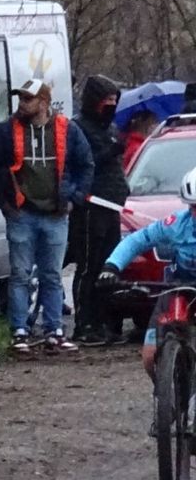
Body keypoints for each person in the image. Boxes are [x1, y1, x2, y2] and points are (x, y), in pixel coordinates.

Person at [0, 78, 94, 353]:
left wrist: (74, 199)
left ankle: (54, 328)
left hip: (56, 214)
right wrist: (4, 203)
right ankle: (19, 329)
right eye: (20, 99)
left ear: (44, 102)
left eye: (28, 99)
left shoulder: (68, 130)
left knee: (52, 274)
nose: (22, 104)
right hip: (21, 214)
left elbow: (86, 165)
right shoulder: (6, 131)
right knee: (18, 274)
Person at [96, 165, 196, 405]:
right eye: (194, 208)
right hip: (178, 290)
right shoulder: (176, 224)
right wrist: (112, 267)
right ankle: (168, 398)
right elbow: (137, 240)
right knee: (150, 357)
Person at [72, 76, 130, 345]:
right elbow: (83, 164)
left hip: (112, 204)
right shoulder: (79, 127)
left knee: (110, 265)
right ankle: (84, 323)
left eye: (114, 101)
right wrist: (111, 151)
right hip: (91, 205)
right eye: (106, 101)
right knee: (89, 266)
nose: (111, 105)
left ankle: (108, 322)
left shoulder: (112, 128)